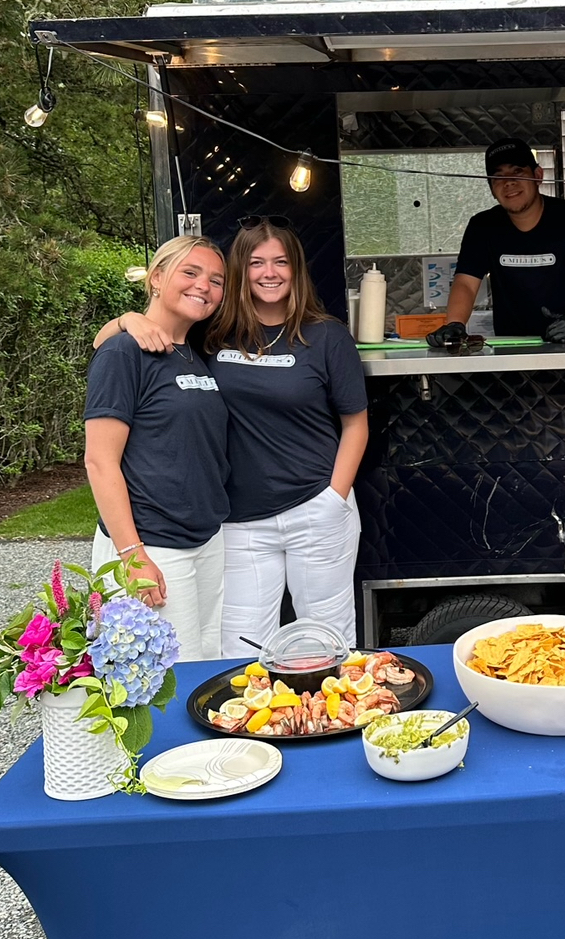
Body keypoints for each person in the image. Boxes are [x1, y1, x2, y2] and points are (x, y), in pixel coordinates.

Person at [99, 221, 369, 652]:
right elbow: (116, 341)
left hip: (316, 512)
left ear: (296, 270)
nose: (269, 272)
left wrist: (334, 498)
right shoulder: (213, 332)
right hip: (238, 522)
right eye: (256, 262)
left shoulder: (327, 335)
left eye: (281, 262)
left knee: (328, 641)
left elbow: (356, 423)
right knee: (239, 648)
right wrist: (127, 319)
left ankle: (336, 718)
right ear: (242, 273)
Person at [84, 235, 229, 660]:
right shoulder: (123, 354)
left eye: (216, 280)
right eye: (191, 272)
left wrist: (125, 319)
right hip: (154, 544)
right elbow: (99, 460)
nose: (204, 285)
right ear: (157, 277)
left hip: (204, 540)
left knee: (203, 666)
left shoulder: (191, 352)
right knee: (161, 680)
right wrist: (131, 554)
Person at [427, 138, 565, 344]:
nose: (509, 182)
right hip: (512, 349)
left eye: (518, 172)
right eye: (498, 177)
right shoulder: (483, 226)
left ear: (538, 176)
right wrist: (455, 324)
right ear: (490, 187)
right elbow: (466, 283)